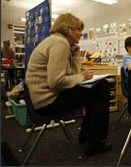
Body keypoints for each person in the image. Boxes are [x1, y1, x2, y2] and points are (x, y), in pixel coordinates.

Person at [25, 13, 112, 157]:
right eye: (78, 29)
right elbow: (56, 82)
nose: (81, 33)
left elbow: (71, 76)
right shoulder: (59, 44)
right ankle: (95, 143)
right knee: (102, 87)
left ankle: (87, 137)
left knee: (94, 90)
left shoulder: (55, 42)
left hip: (43, 99)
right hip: (48, 102)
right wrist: (82, 77)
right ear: (69, 28)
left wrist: (76, 57)